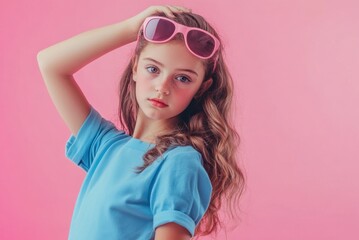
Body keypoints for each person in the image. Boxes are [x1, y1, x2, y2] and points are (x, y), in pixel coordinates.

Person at [37, 5, 245, 240]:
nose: (162, 87)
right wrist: (129, 29)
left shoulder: (178, 162)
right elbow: (50, 64)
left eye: (183, 78)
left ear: (201, 89)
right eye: (153, 69)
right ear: (135, 67)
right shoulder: (106, 146)